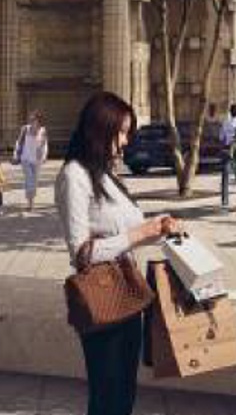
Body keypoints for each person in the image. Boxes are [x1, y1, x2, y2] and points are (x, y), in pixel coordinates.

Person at [57, 91, 187, 415]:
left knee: (124, 396)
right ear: (100, 130)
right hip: (102, 298)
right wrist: (140, 232)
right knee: (108, 399)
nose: (126, 140)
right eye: (122, 131)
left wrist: (161, 227)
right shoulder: (74, 175)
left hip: (129, 295)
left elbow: (127, 235)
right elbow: (82, 253)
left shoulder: (105, 175)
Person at [13, 110, 48, 211]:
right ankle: (30, 203)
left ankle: (31, 201)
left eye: (34, 119)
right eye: (31, 119)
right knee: (29, 179)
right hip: (25, 159)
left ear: (39, 121)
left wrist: (44, 156)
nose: (32, 121)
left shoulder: (43, 130)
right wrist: (16, 154)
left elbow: (45, 144)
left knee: (35, 180)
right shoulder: (25, 129)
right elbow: (19, 142)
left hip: (37, 160)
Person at [219, 104, 236, 209]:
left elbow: (221, 137)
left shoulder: (225, 123)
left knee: (225, 176)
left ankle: (225, 200)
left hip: (227, 151)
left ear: (231, 112)